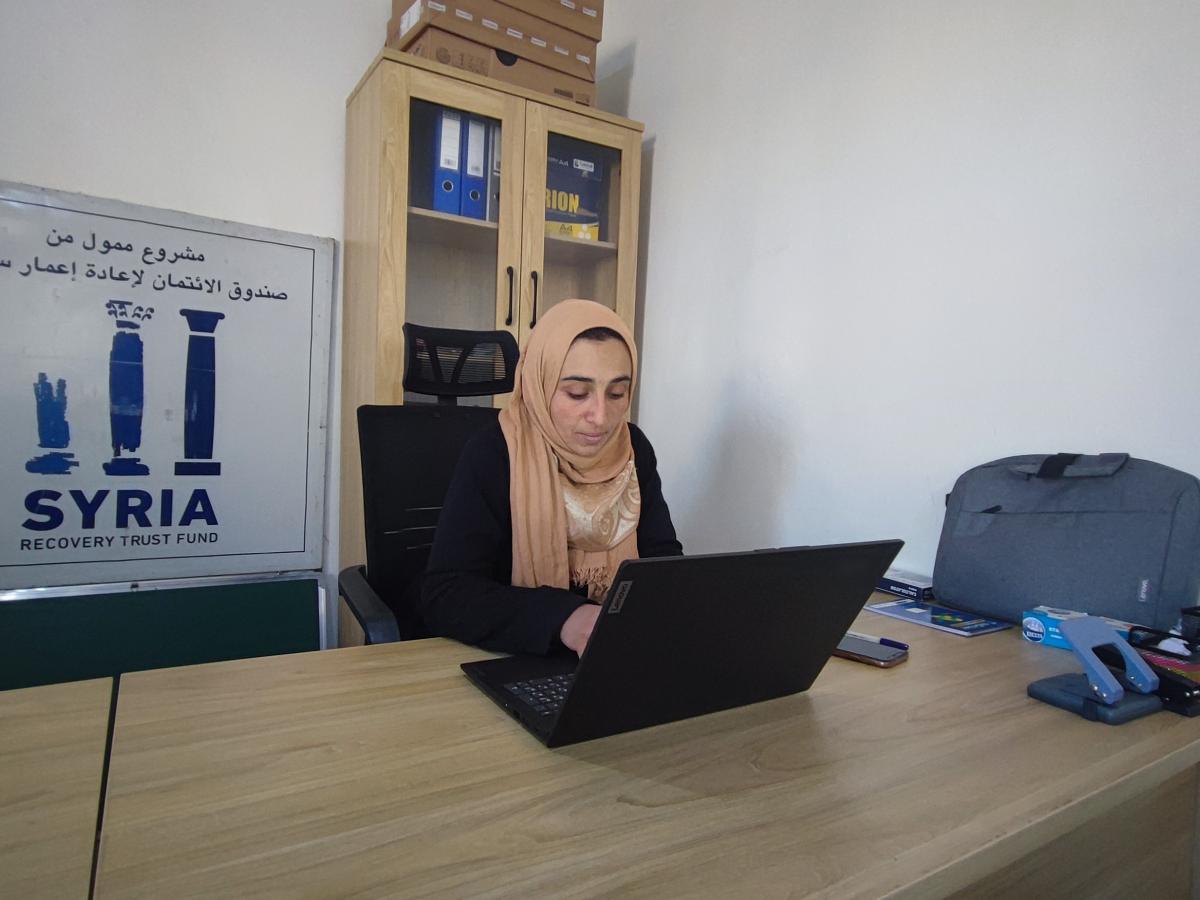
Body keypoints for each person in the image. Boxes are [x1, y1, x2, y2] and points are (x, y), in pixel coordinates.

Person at [420, 299, 682, 657]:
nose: (601, 416)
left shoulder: (632, 448)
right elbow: (447, 593)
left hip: (613, 655)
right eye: (577, 393)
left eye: (617, 393)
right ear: (540, 383)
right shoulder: (495, 453)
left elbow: (662, 560)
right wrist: (564, 617)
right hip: (512, 657)